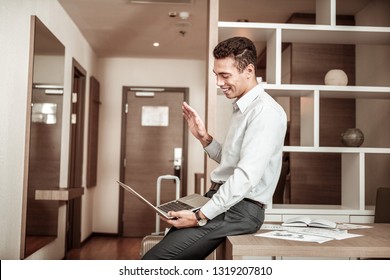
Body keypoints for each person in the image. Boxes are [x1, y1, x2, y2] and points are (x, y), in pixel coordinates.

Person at [142, 36, 287, 260]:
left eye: (225, 75)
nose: (219, 82)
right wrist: (205, 138)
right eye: (216, 75)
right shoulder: (243, 108)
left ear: (248, 70)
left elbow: (246, 176)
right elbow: (233, 163)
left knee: (155, 262)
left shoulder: (265, 112)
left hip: (239, 208)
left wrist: (200, 215)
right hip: (224, 201)